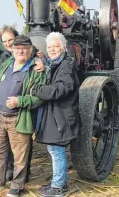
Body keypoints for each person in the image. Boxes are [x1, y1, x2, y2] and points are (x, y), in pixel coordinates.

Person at [0, 35, 46, 197]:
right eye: (17, 49)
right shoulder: (6, 64)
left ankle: (17, 185)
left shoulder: (36, 70)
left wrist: (20, 101)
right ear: (13, 50)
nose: (20, 51)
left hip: (19, 118)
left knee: (20, 155)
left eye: (24, 48)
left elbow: (40, 97)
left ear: (30, 51)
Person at [32, 32, 80, 197]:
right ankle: (59, 183)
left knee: (56, 149)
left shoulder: (66, 65)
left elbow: (61, 89)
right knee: (54, 149)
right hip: (56, 112)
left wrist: (37, 90)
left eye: (55, 46)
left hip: (62, 114)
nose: (52, 49)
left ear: (63, 47)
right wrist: (44, 67)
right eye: (50, 47)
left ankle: (58, 187)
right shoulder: (55, 64)